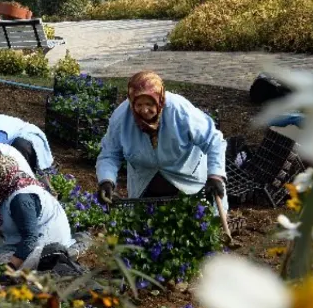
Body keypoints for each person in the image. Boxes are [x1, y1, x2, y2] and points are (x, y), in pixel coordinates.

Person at [95, 71, 229, 214]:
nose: (144, 110)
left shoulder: (179, 111)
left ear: (159, 100)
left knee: (199, 224)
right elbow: (109, 153)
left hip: (188, 181)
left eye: (149, 103)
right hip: (145, 184)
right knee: (146, 229)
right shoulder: (122, 118)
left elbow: (213, 140)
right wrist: (106, 180)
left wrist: (215, 175)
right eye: (138, 104)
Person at [0, 154, 75, 271]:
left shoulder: (21, 199)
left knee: (3, 262)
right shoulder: (0, 189)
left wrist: (10, 268)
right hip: (24, 234)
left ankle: (52, 259)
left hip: (46, 238)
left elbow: (30, 237)